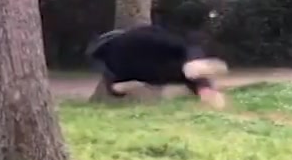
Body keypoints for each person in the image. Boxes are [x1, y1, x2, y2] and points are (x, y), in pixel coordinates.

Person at [87, 25, 228, 109]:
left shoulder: (111, 65)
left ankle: (201, 81)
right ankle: (199, 77)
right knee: (184, 68)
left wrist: (119, 89)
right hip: (165, 60)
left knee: (180, 71)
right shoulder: (132, 36)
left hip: (157, 71)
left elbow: (113, 88)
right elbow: (164, 39)